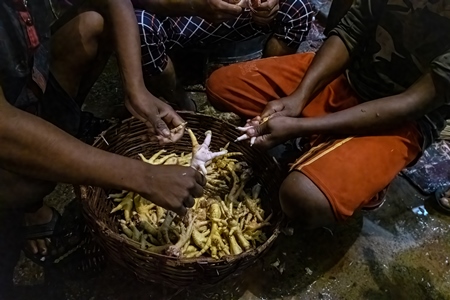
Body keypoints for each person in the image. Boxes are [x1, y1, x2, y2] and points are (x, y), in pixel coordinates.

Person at [0, 0, 205, 297]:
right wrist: (144, 177)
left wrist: (136, 90)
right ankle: (26, 207)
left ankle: (60, 134)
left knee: (94, 22)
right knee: (34, 178)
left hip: (25, 75)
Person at [206, 0, 450, 228]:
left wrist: (301, 126)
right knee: (222, 86)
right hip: (349, 76)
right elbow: (351, 30)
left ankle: (362, 175)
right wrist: (297, 98)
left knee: (300, 196)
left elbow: (409, 104)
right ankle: (327, 145)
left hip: (400, 120)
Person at [132, 0, 314, 110]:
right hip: (176, 15)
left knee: (299, 7)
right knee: (140, 26)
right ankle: (179, 102)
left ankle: (261, 95)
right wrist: (196, 5)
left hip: (239, 12)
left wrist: (267, 4)